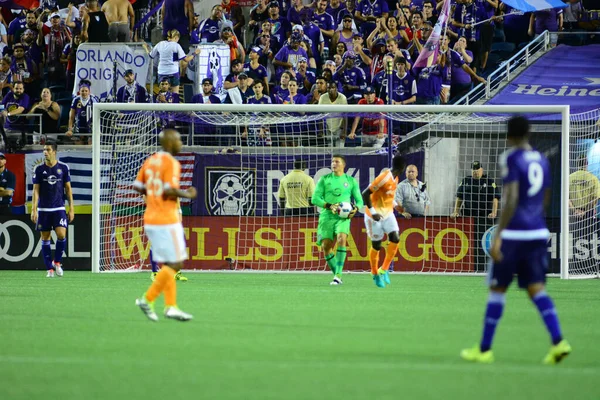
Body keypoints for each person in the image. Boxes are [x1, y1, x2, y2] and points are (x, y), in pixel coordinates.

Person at [461, 116, 571, 365]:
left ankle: (484, 349)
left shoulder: (510, 158)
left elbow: (510, 198)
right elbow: (545, 196)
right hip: (538, 232)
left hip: (514, 235)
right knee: (536, 289)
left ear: (509, 135)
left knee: (497, 290)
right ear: (529, 133)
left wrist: (499, 234)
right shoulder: (542, 159)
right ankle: (558, 341)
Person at [133, 129, 197, 322]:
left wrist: (152, 193)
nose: (181, 143)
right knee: (175, 263)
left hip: (150, 218)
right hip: (166, 218)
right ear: (168, 142)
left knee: (170, 263)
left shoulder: (150, 161)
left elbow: (137, 186)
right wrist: (188, 194)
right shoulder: (171, 162)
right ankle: (148, 299)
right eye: (178, 140)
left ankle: (171, 307)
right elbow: (169, 191)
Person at [311, 155, 364, 285]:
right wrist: (329, 206)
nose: (334, 164)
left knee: (341, 239)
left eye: (337, 162)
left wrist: (356, 209)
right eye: (332, 162)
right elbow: (315, 199)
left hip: (343, 218)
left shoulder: (351, 181)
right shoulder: (324, 180)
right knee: (326, 246)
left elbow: (360, 200)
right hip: (327, 216)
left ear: (343, 165)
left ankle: (338, 275)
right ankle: (337, 274)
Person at [31, 142, 75, 278]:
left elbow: (68, 189)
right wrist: (34, 209)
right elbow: (36, 190)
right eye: (44, 150)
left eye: (48, 150)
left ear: (54, 151)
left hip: (59, 207)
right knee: (45, 238)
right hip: (43, 209)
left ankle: (57, 262)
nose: (45, 152)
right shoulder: (39, 169)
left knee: (61, 234)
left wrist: (71, 208)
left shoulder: (63, 168)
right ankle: (49, 269)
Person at [362, 154, 406, 288]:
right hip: (373, 215)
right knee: (377, 246)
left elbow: (386, 196)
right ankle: (374, 273)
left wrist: (396, 206)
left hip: (387, 214)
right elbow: (365, 193)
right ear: (403, 167)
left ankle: (384, 269)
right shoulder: (384, 177)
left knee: (395, 238)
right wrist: (374, 213)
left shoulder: (396, 178)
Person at [451, 160, 500, 271]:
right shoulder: (466, 180)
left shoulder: (489, 181)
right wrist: (456, 211)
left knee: (482, 242)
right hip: (468, 217)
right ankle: (465, 266)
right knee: (468, 242)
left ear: (481, 170)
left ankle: (485, 266)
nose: (475, 172)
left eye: (477, 170)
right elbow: (459, 197)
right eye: (473, 170)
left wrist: (494, 212)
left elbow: (495, 198)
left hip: (485, 217)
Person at [148, 29, 200, 95]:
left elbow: (151, 55)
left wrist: (146, 48)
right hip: (173, 73)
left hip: (162, 72)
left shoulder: (160, 44)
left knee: (162, 95)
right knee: (175, 95)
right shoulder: (176, 45)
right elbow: (186, 59)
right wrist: (195, 53)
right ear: (176, 37)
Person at [318, 80, 347, 147]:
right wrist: (321, 130)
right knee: (330, 150)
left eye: (332, 88)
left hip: (340, 127)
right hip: (328, 127)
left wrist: (344, 131)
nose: (330, 89)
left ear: (336, 88)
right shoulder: (323, 97)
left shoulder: (342, 98)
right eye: (328, 88)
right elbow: (320, 115)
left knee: (339, 150)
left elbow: (345, 116)